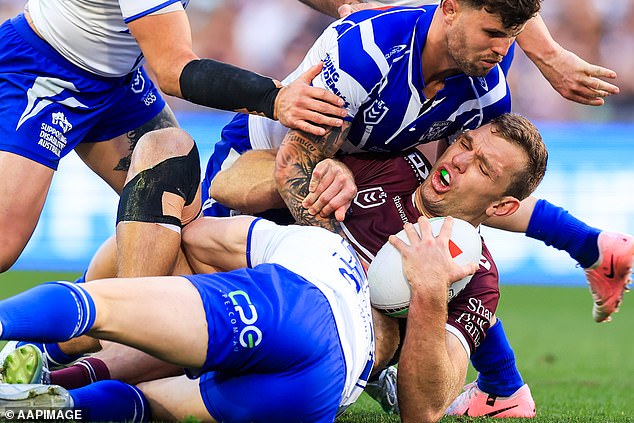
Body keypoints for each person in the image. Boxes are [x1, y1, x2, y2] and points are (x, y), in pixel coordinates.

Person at [0, 113, 547, 422]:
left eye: (481, 166)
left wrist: (428, 294)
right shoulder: (390, 162)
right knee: (153, 406)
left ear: (500, 207)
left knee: (153, 256)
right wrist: (311, 178)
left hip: (298, 301)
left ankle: (48, 353)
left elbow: (422, 409)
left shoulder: (478, 280)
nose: (455, 160)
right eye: (465, 144)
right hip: (320, 380)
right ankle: (50, 385)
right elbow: (229, 185)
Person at [0, 0, 347, 277]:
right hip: (41, 69)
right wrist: (273, 98)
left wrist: (349, 6)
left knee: (182, 224)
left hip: (117, 81)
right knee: (4, 246)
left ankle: (65, 343)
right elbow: (172, 69)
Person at [0, 215, 377, 422]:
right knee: (147, 405)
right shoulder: (373, 347)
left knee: (100, 307)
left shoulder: (319, 243)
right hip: (319, 395)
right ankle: (31, 410)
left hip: (297, 308)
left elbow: (197, 238)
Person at [302, 0, 621, 108]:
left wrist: (549, 55)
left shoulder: (489, 63)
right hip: (378, 53)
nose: (502, 47)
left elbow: (499, 13)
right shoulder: (367, 49)